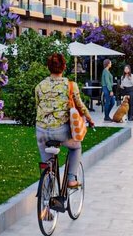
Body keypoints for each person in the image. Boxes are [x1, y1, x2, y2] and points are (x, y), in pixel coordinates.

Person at [35, 53, 95, 189]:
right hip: (60, 131)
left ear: (48, 67)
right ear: (64, 67)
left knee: (47, 163)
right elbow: (80, 105)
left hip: (41, 131)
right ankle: (71, 179)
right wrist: (90, 120)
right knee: (76, 147)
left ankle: (47, 190)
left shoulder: (39, 86)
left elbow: (38, 105)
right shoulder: (70, 85)